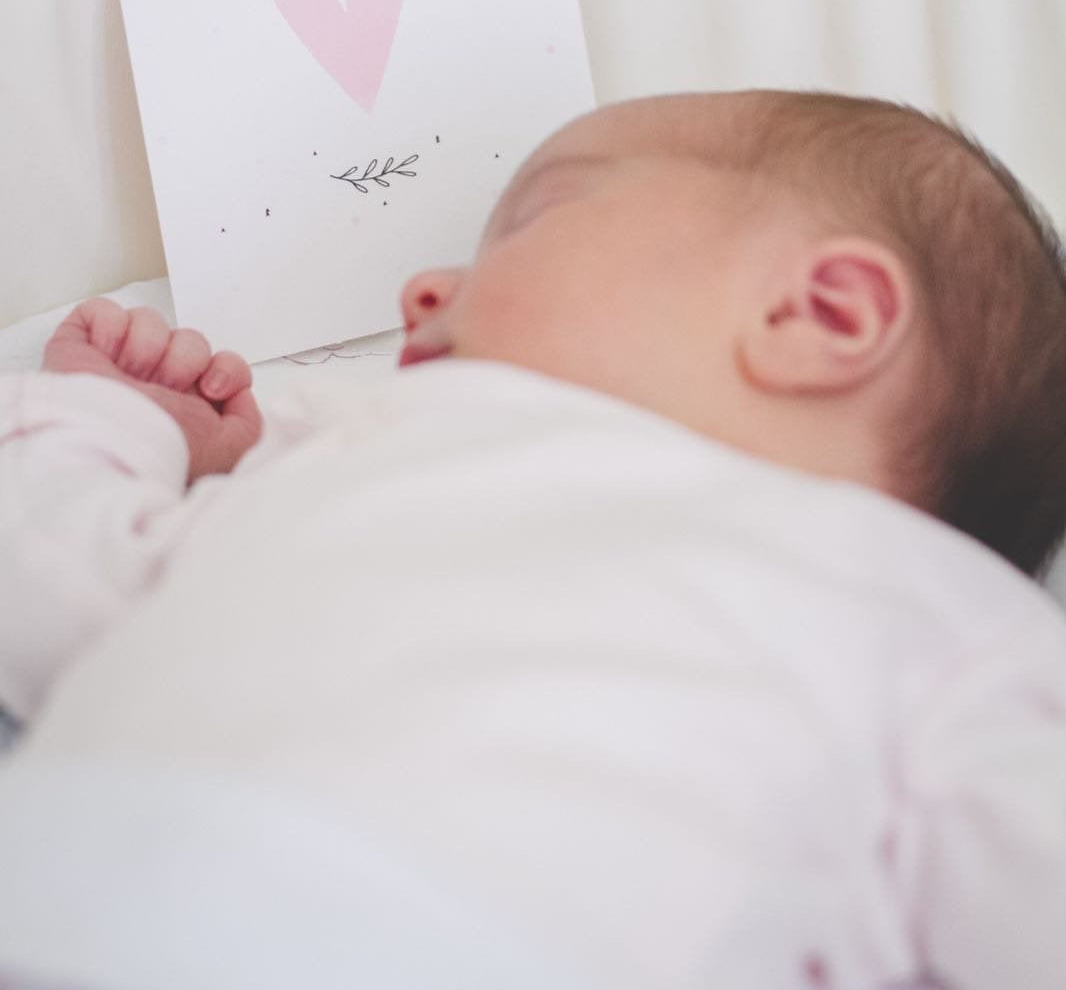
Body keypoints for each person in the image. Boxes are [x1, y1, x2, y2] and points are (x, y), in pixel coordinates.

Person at [0, 89, 1065, 990]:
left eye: (523, 223)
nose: (418, 290)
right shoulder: (340, 453)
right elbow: (44, 591)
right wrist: (129, 421)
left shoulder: (929, 618)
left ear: (818, 315)